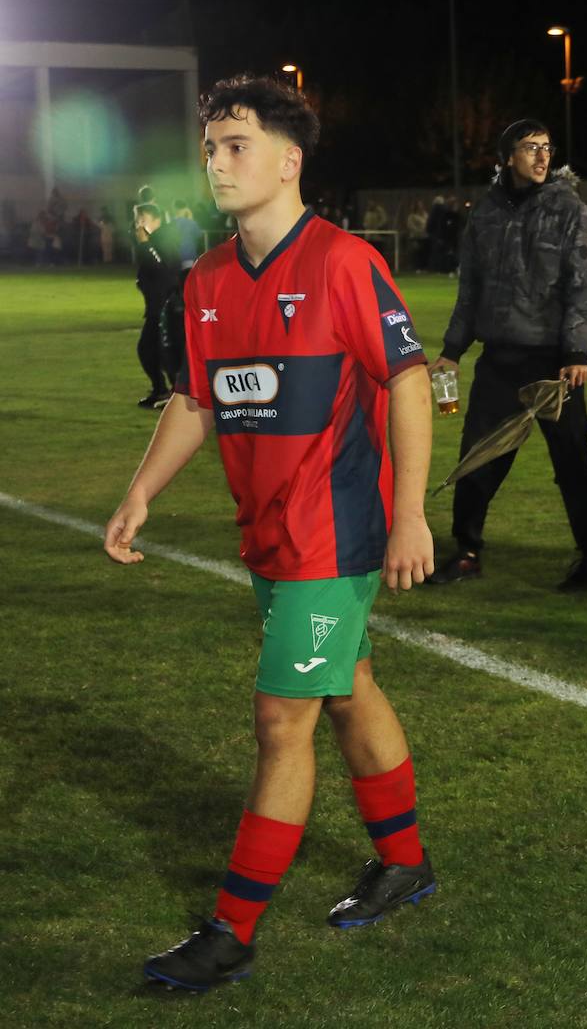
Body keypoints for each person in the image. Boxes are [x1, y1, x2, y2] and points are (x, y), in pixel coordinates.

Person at [104, 74, 437, 992]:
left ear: (289, 161)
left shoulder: (342, 263)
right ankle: (405, 862)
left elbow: (407, 382)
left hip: (336, 536)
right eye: (210, 146)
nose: (216, 161)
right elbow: (195, 399)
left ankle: (232, 931)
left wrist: (409, 514)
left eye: (236, 144)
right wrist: (141, 493)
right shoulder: (206, 279)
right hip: (268, 537)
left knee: (279, 718)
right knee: (346, 689)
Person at [427, 118, 587, 590]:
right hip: (499, 361)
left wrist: (576, 352)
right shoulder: (486, 212)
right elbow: (470, 288)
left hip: (554, 366)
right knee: (477, 457)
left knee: (573, 463)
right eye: (532, 148)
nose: (543, 157)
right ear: (508, 155)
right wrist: (452, 350)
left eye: (548, 148)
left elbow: (584, 286)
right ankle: (466, 552)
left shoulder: (568, 207)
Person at [130, 204, 181, 408]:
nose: (137, 225)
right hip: (158, 305)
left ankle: (172, 391)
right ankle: (163, 390)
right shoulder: (156, 240)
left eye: (140, 219)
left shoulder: (164, 238)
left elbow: (160, 268)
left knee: (155, 349)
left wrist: (144, 245)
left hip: (164, 306)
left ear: (153, 218)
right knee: (154, 349)